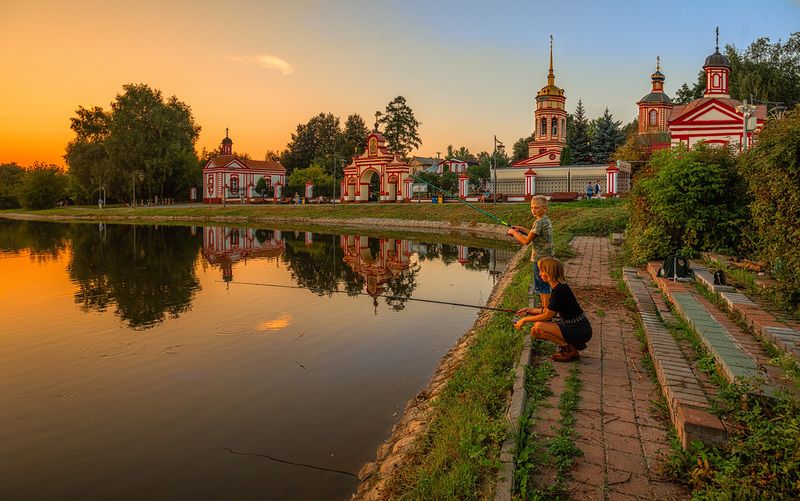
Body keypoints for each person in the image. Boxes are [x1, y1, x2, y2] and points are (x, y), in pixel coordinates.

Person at [514, 256, 592, 362]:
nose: (540, 274)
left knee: (538, 326)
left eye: (542, 271)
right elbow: (550, 310)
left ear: (549, 272)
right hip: (570, 325)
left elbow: (548, 316)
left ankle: (569, 350)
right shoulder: (558, 287)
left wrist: (524, 320)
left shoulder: (559, 290)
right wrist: (529, 310)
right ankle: (571, 344)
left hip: (579, 330)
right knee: (535, 332)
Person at [507, 195, 554, 309]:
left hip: (540, 259)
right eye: (532, 207)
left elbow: (526, 241)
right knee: (545, 285)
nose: (533, 210)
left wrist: (513, 233)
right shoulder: (544, 220)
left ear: (545, 209)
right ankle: (545, 310)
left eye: (537, 208)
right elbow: (534, 234)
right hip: (547, 257)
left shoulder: (539, 222)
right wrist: (521, 229)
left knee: (543, 286)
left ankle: (546, 312)